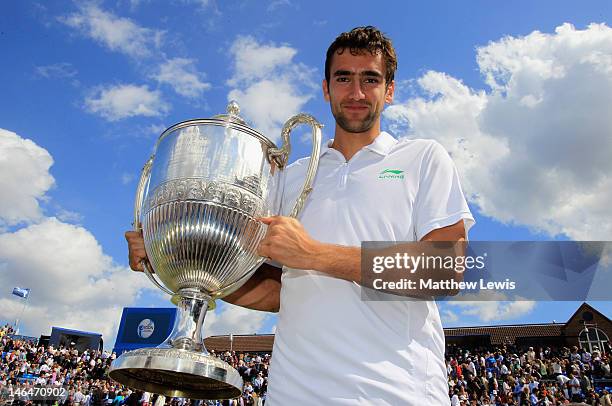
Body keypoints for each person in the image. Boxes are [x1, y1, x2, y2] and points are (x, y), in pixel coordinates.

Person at [126, 26, 474, 404]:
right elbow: (279, 291)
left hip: (395, 394)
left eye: (370, 79)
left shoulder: (422, 158)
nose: (356, 92)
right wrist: (173, 254)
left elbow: (445, 270)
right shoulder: (288, 179)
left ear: (389, 90)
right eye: (344, 78)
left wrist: (312, 255)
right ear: (326, 88)